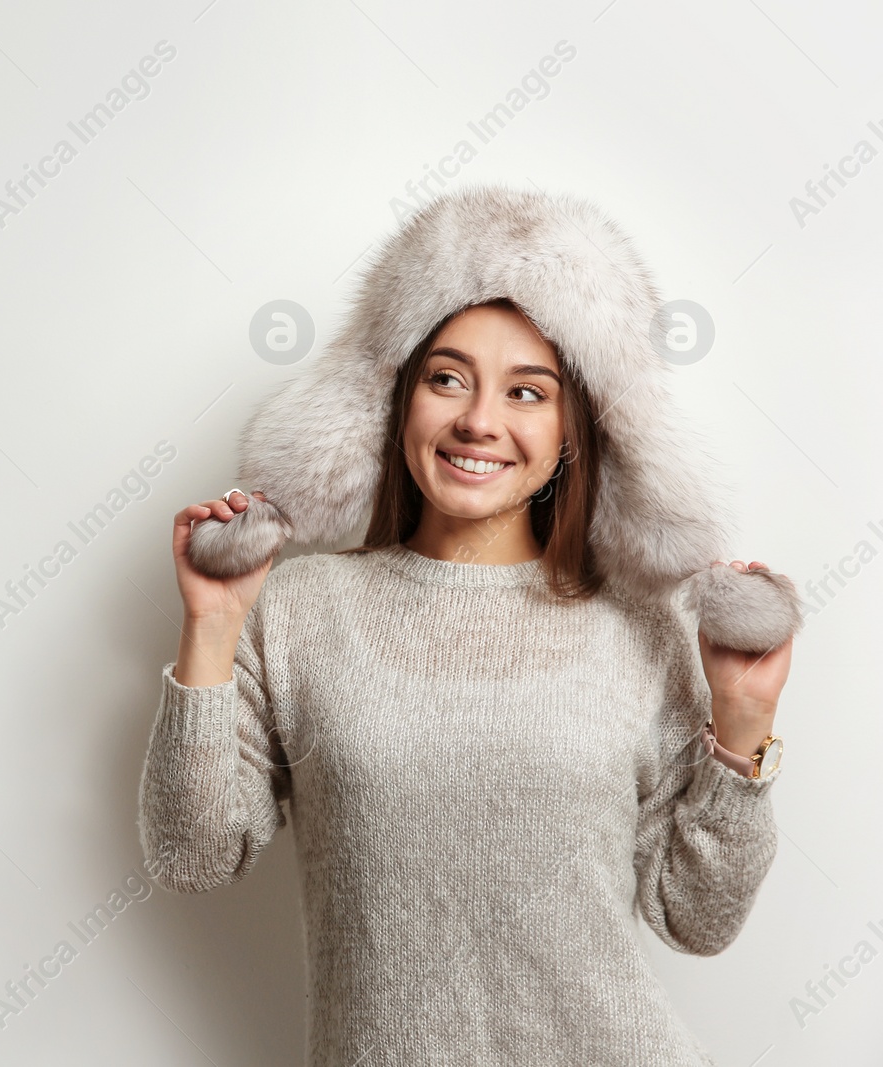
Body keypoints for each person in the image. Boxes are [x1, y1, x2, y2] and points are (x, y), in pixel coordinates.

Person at [137, 186, 798, 1066]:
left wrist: (742, 726)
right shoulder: (300, 611)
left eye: (528, 392)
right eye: (448, 378)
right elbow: (195, 854)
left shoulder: (641, 626)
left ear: (572, 431)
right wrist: (213, 625)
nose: (479, 420)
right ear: (397, 399)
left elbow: (697, 918)